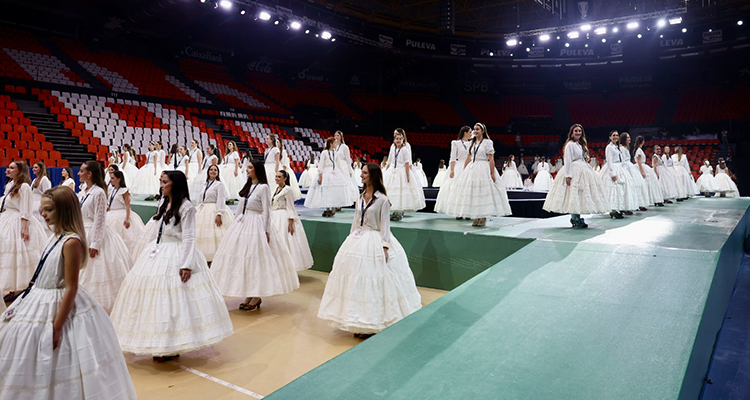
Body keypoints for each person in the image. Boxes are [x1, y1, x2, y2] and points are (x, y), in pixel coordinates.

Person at [0, 186, 136, 399]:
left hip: (58, 302)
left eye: (49, 210)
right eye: (43, 209)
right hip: (39, 296)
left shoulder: (71, 242)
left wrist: (56, 326)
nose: (43, 214)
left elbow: (71, 287)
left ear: (63, 210)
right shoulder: (55, 236)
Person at [111, 170, 233, 362]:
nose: (161, 185)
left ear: (175, 184)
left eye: (165, 182)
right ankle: (159, 342)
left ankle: (171, 345)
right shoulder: (163, 202)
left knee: (175, 301)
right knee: (155, 300)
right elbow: (157, 230)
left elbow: (189, 236)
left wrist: (186, 264)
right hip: (158, 250)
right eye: (160, 181)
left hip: (176, 253)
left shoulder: (186, 207)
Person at [317, 163, 421, 338]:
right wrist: (350, 240)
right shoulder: (360, 196)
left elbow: (385, 226)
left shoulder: (382, 200)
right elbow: (356, 220)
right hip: (358, 239)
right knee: (356, 281)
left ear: (372, 175)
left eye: (364, 173)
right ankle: (356, 321)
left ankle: (370, 322)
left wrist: (385, 246)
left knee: (373, 281)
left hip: (375, 239)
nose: (361, 176)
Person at [211, 160, 299, 311]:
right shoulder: (249, 187)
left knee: (256, 260)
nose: (247, 170)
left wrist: (266, 231)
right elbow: (241, 207)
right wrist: (233, 225)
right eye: (247, 167)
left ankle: (256, 295)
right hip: (243, 223)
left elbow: (267, 210)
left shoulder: (263, 187)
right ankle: (249, 294)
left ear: (257, 170)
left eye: (250, 168)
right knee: (243, 260)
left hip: (256, 224)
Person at [77, 161, 132, 312]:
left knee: (96, 270)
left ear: (90, 174)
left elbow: (100, 219)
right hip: (82, 231)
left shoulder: (99, 192)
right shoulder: (83, 191)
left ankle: (96, 305)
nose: (78, 173)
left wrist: (95, 243)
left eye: (81, 171)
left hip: (95, 233)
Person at [437, 123, 512, 227]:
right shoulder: (472, 143)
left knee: (483, 192)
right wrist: (464, 171)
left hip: (483, 168)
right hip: (472, 168)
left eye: (477, 129)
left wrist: (492, 173)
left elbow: (491, 159)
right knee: (473, 192)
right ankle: (476, 215)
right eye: (474, 129)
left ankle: (483, 216)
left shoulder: (487, 142)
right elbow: (468, 157)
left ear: (482, 131)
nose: (475, 131)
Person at [543, 124, 608, 228]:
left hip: (583, 168)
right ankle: (575, 218)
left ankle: (577, 218)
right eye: (576, 131)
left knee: (579, 193)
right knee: (574, 193)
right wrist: (568, 175)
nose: (578, 133)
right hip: (574, 169)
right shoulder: (570, 144)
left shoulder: (579, 144)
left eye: (579, 131)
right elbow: (567, 160)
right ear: (572, 133)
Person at [0, 161, 47, 301]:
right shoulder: (10, 184)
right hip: (8, 218)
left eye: (12, 168)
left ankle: (21, 287)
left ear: (20, 171)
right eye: (8, 167)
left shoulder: (25, 186)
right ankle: (9, 287)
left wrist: (25, 228)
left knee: (20, 255)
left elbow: (26, 208)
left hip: (18, 221)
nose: (8, 169)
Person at [271, 171, 313, 271]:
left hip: (283, 217)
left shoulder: (288, 190)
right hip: (274, 216)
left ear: (285, 178)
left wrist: (290, 223)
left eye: (279, 177)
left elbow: (290, 207)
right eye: (276, 176)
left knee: (285, 241)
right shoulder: (274, 189)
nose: (277, 178)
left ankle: (286, 268)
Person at [304, 137, 357, 217]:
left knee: (334, 191)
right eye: (335, 143)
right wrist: (320, 175)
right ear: (331, 144)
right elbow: (321, 164)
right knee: (326, 191)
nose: (336, 144)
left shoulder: (335, 153)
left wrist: (343, 173)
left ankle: (333, 208)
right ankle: (327, 208)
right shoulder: (324, 153)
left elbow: (339, 164)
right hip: (326, 172)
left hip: (335, 172)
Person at [383, 129, 426, 221]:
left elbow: (407, 162)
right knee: (391, 191)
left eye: (399, 138)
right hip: (393, 171)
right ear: (394, 139)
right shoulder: (393, 147)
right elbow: (390, 160)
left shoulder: (406, 148)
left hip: (402, 171)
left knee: (401, 192)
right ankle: (394, 211)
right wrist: (385, 171)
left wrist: (408, 175)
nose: (398, 140)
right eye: (396, 138)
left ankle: (399, 212)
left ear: (402, 138)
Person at [195, 165, 234, 263]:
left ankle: (214, 260)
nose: (213, 171)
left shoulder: (219, 184)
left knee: (214, 234)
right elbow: (200, 198)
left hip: (214, 209)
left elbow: (221, 199)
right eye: (211, 170)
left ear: (217, 173)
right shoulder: (205, 184)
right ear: (208, 172)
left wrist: (219, 213)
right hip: (202, 209)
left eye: (215, 170)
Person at [435, 126, 472, 217]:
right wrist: (452, 169)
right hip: (459, 166)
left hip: (469, 166)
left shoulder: (472, 143)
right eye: (470, 132)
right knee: (457, 190)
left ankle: (468, 212)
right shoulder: (456, 143)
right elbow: (453, 157)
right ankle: (458, 212)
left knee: (468, 190)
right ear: (465, 133)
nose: (471, 134)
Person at [106, 170, 146, 255]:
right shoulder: (112, 190)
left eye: (113, 178)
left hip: (121, 214)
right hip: (111, 213)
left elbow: (128, 205)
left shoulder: (124, 191)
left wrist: (127, 218)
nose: (110, 180)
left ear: (119, 179)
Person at [598, 130, 636, 219]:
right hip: (613, 168)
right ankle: (613, 210)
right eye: (613, 135)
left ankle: (618, 208)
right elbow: (609, 161)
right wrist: (612, 173)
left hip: (619, 167)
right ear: (610, 137)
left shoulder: (617, 147)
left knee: (620, 190)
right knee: (613, 189)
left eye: (617, 135)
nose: (615, 137)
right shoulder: (609, 147)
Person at [618, 132, 649, 211]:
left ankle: (637, 204)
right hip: (627, 167)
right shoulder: (621, 148)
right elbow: (622, 160)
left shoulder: (626, 148)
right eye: (628, 137)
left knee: (635, 186)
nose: (629, 139)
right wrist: (625, 169)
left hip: (630, 166)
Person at [633, 136, 664, 207]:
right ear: (643, 141)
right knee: (646, 183)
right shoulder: (639, 150)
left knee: (648, 183)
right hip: (641, 166)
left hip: (642, 166)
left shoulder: (639, 150)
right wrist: (642, 171)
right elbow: (639, 161)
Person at [332, 131, 360, 201]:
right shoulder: (333, 146)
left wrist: (350, 170)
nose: (336, 137)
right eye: (335, 135)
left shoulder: (345, 147)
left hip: (343, 168)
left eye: (338, 135)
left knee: (345, 184)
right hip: (335, 167)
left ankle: (343, 200)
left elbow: (348, 160)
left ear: (341, 137)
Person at [31, 162, 53, 236]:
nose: (33, 169)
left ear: (41, 169)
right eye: (33, 167)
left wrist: (43, 206)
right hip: (33, 204)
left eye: (36, 167)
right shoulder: (34, 180)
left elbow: (46, 193)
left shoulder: (44, 179)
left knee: (41, 226)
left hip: (39, 204)